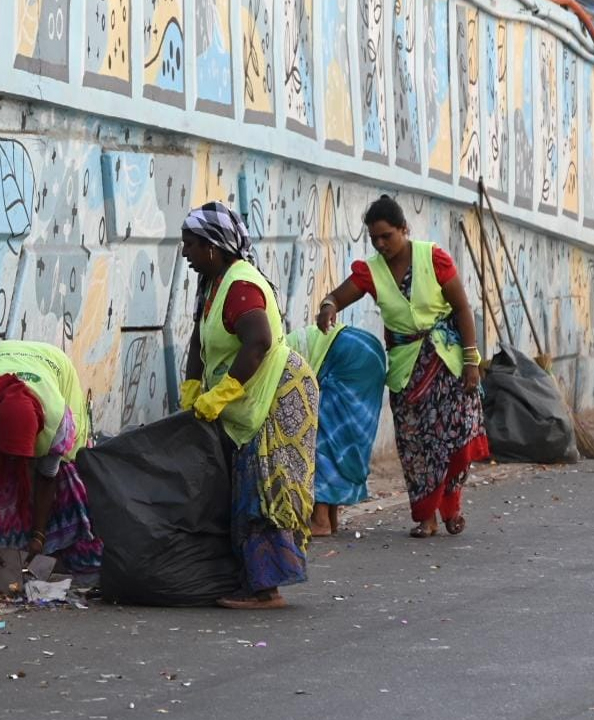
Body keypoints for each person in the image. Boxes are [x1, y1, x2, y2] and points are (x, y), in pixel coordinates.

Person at [315, 195, 487, 539]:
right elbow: (337, 296)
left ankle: (451, 507)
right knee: (415, 446)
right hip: (406, 370)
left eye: (387, 236)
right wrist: (328, 305)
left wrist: (472, 361)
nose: (381, 245)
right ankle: (426, 517)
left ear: (403, 230)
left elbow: (463, 309)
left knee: (451, 439)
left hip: (445, 362)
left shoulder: (433, 258)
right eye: (374, 239)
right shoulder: (371, 272)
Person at [178, 201, 317, 609]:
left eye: (191, 245)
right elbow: (198, 343)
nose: (185, 253)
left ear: (214, 248)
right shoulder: (213, 285)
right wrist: (191, 388)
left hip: (276, 392)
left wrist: (221, 393)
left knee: (262, 487)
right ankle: (253, 580)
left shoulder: (240, 285)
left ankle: (265, 590)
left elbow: (258, 340)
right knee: (244, 482)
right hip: (250, 394)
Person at [0, 340, 103, 577]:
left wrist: (39, 536)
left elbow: (47, 478)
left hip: (56, 365)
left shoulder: (58, 421)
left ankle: (58, 551)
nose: (16, 463)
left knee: (67, 469)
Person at [286, 323, 387, 536]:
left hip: (350, 355)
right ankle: (331, 517)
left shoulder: (277, 360)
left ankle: (320, 520)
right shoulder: (284, 343)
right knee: (343, 437)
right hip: (368, 350)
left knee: (326, 436)